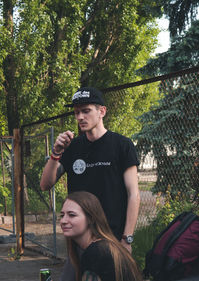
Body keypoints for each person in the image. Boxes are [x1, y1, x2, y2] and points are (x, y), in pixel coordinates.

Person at [40, 87, 140, 280]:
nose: (80, 117)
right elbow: (45, 184)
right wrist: (56, 152)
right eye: (77, 112)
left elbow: (133, 194)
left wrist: (127, 238)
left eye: (86, 111)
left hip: (112, 239)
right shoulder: (73, 147)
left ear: (101, 111)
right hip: (80, 241)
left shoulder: (121, 145)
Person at [60, 191, 142, 281]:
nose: (63, 221)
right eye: (62, 215)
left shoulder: (96, 252)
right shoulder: (104, 246)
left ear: (91, 218)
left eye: (72, 215)